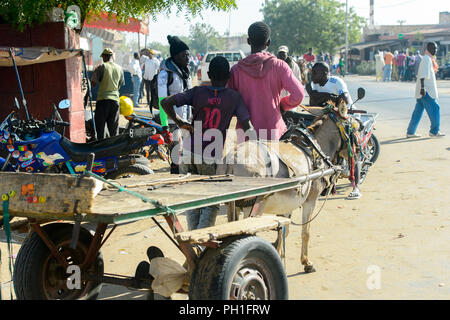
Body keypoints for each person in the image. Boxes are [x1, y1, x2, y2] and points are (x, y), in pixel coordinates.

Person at [161, 56, 253, 230]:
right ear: (229, 77)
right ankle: (200, 243)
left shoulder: (197, 92)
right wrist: (260, 145)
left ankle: (193, 238)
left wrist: (180, 122)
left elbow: (165, 102)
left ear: (209, 74)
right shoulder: (234, 97)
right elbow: (248, 127)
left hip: (187, 152)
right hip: (210, 155)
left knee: (192, 199)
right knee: (211, 202)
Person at [227, 21, 305, 141]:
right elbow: (299, 95)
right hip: (273, 133)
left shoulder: (236, 70)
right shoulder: (279, 66)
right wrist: (282, 106)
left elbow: (230, 105)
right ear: (268, 42)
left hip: (246, 136)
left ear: (248, 41)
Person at [305, 61, 363, 199]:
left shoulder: (337, 82)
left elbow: (345, 101)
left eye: (315, 72)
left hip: (343, 116)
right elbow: (314, 102)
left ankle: (356, 186)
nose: (312, 75)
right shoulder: (313, 84)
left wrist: (324, 98)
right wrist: (328, 98)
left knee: (350, 145)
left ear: (324, 73)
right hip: (326, 118)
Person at [158, 35, 193, 173]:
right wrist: (165, 127)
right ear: (176, 56)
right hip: (173, 122)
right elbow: (162, 101)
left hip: (186, 121)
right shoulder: (165, 75)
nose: (188, 58)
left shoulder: (186, 73)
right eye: (185, 55)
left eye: (188, 55)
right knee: (176, 158)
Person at [406, 42, 445, 138]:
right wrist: (422, 89)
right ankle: (434, 131)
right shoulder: (426, 59)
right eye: (433, 48)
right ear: (428, 48)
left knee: (418, 112)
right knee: (435, 108)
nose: (435, 50)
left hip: (423, 91)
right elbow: (423, 75)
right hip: (426, 91)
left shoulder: (428, 59)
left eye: (436, 49)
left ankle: (410, 132)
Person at [91, 48, 124, 139]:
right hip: (115, 101)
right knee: (113, 129)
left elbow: (93, 84)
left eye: (103, 57)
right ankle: (114, 150)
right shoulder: (119, 68)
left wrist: (94, 72)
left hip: (103, 101)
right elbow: (119, 86)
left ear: (105, 57)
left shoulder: (102, 67)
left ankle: (102, 150)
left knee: (100, 128)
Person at [142, 49, 160, 115]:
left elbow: (158, 70)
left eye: (150, 53)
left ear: (152, 54)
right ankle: (148, 102)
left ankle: (153, 103)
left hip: (153, 78)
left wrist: (157, 78)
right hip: (146, 77)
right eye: (148, 53)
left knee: (152, 91)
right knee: (147, 90)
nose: (149, 54)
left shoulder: (156, 61)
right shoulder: (146, 60)